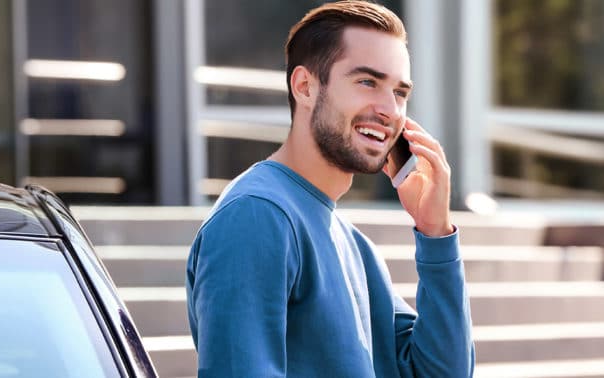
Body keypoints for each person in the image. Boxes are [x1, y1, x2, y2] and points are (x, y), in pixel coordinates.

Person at [185, 1, 475, 377]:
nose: (389, 109)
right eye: (367, 82)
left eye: (399, 92)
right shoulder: (256, 216)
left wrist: (435, 232)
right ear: (305, 87)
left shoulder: (356, 246)